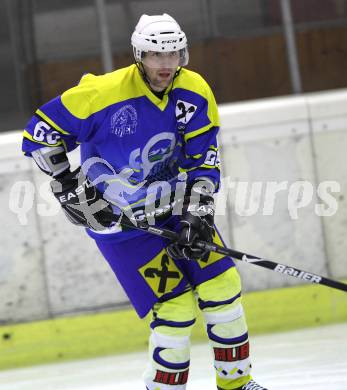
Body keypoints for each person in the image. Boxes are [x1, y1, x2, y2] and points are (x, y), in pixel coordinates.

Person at [22, 13, 268, 390]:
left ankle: (237, 384)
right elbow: (39, 135)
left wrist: (199, 214)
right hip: (123, 228)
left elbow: (205, 159)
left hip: (176, 211)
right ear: (139, 55)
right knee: (175, 310)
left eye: (174, 55)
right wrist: (70, 186)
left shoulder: (194, 91)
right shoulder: (101, 94)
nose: (166, 65)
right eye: (156, 55)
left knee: (224, 287)